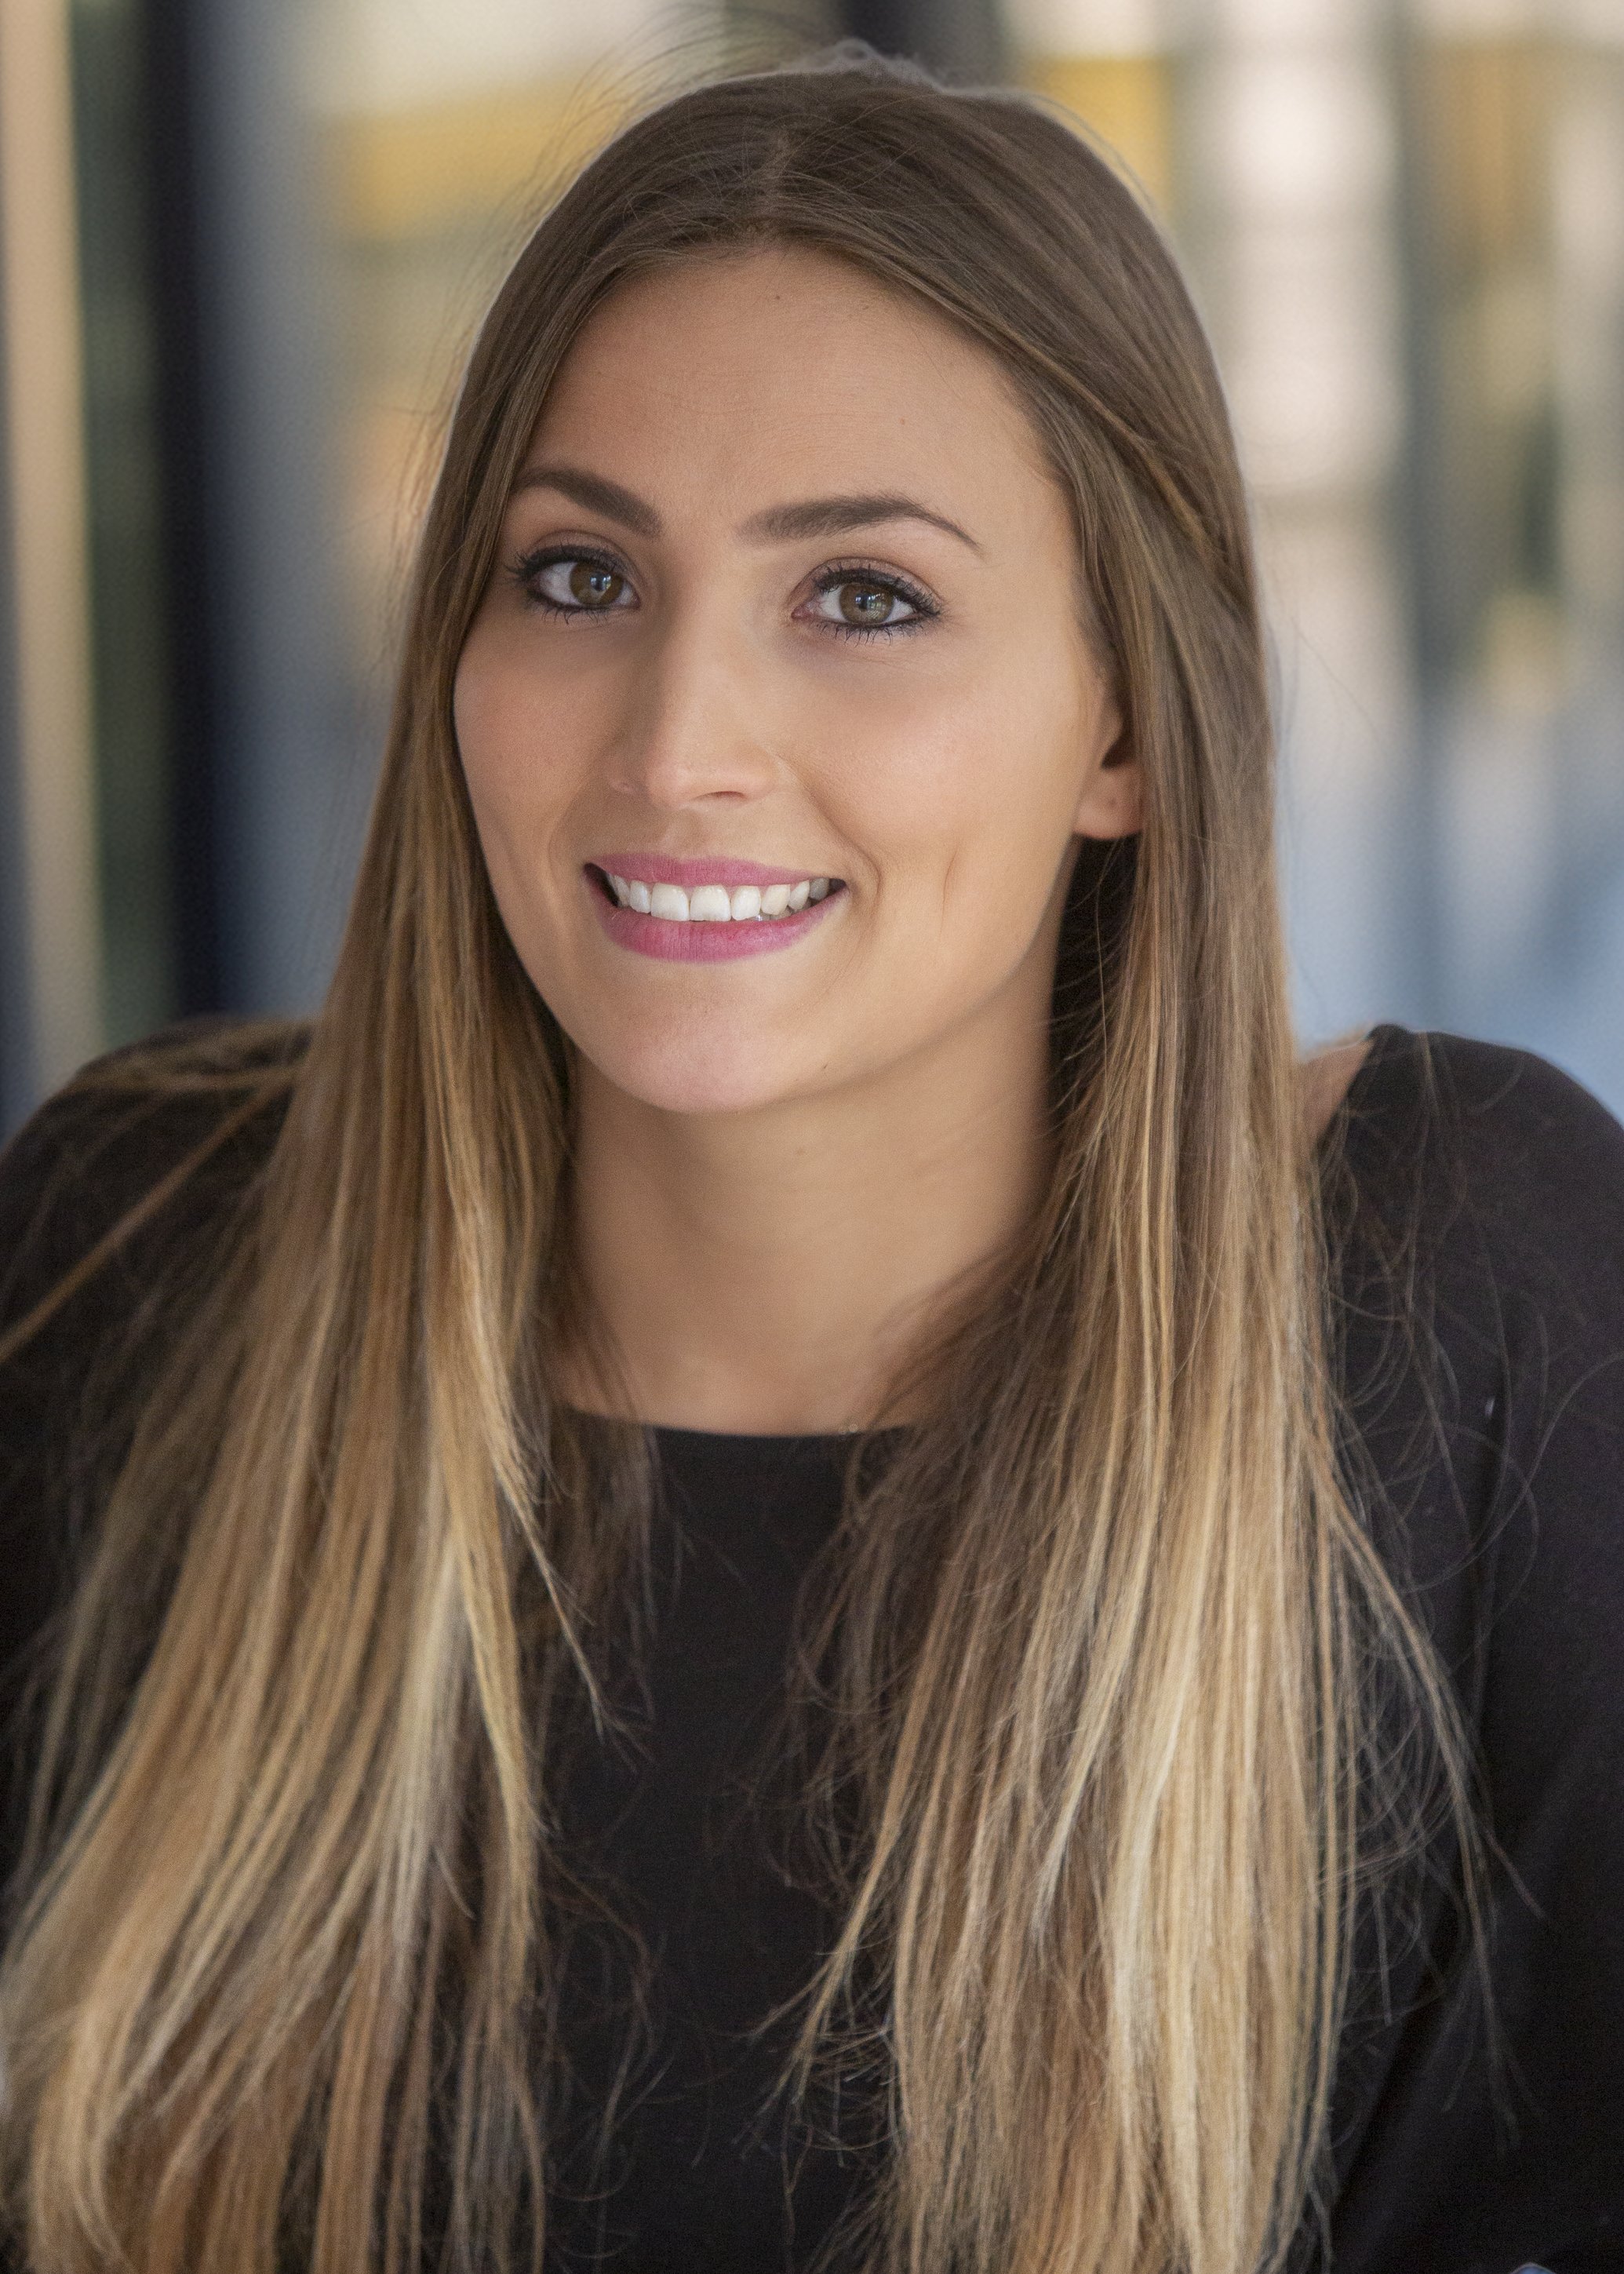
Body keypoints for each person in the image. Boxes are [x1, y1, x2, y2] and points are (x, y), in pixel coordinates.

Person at [0, 47, 1620, 2274]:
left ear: (1127, 727)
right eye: (579, 576)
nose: (677, 747)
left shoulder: (1453, 1300)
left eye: (861, 598)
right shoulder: (137, 1258)